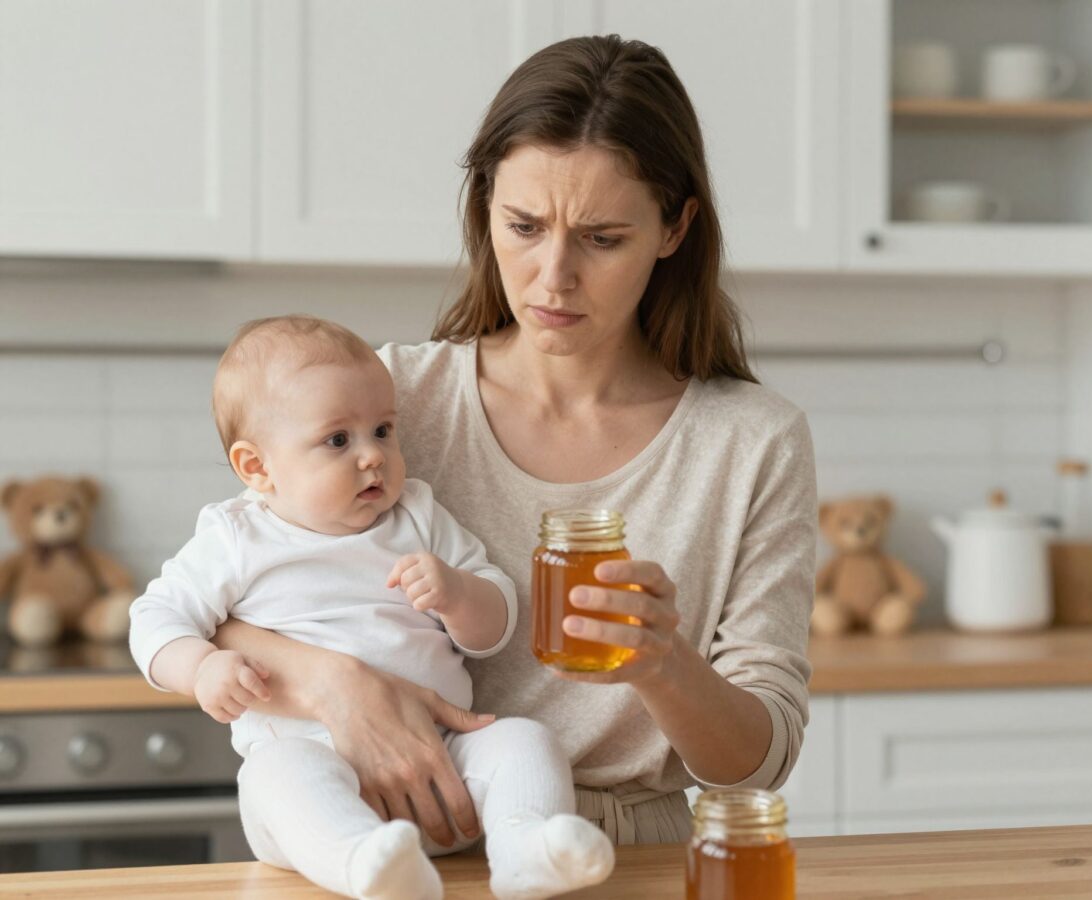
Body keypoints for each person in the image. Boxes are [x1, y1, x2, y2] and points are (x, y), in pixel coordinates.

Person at [215, 34, 816, 846]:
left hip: (631, 853)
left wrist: (662, 666)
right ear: (484, 208)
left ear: (675, 228)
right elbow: (221, 599)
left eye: (603, 238)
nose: (553, 276)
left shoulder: (751, 443)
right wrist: (336, 686)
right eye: (524, 226)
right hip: (407, 840)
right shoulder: (393, 405)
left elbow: (758, 762)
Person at [128, 316, 615, 900]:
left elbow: (495, 625)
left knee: (525, 741)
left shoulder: (416, 515)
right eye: (339, 440)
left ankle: (523, 849)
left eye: (383, 431)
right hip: (314, 773)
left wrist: (460, 594)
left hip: (443, 762)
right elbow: (154, 619)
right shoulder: (236, 538)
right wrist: (201, 667)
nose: (373, 457)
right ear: (257, 467)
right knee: (272, 775)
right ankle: (366, 865)